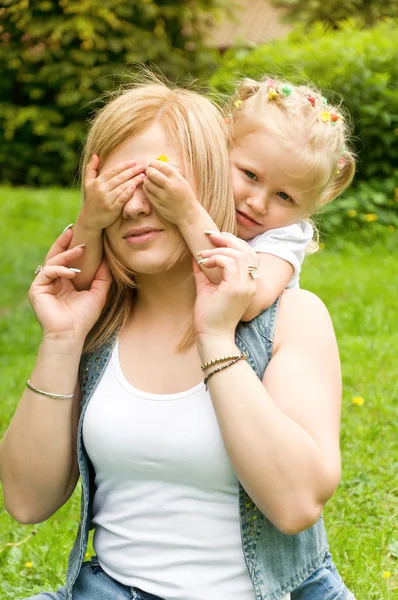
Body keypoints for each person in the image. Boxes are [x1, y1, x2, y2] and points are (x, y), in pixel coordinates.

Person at [0, 79, 355, 600]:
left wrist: (214, 335)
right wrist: (61, 339)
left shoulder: (292, 316)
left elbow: (296, 504)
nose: (135, 207)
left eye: (158, 182)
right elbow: (27, 502)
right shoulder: (100, 323)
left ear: (203, 181)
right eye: (118, 187)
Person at [69, 76, 355, 321]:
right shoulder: (189, 199)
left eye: (284, 196)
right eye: (250, 175)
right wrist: (91, 223)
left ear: (309, 206)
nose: (257, 203)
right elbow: (80, 283)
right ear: (219, 150)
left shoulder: (283, 238)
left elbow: (245, 301)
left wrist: (187, 214)